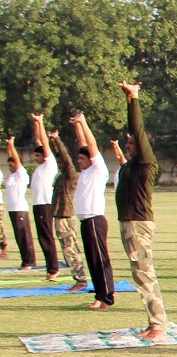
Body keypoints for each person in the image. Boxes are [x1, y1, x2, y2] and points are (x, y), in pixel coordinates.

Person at [114, 82, 168, 342]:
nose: (128, 144)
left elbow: (138, 129)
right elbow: (132, 132)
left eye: (132, 142)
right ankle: (152, 321)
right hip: (129, 224)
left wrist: (133, 99)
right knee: (139, 275)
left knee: (145, 274)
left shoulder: (147, 163)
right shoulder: (131, 166)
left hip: (138, 224)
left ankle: (159, 324)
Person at [70, 112, 114, 309]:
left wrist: (84, 121)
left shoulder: (98, 169)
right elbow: (83, 143)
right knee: (92, 260)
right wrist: (76, 126)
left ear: (91, 159)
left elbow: (91, 145)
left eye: (82, 158)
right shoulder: (86, 172)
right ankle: (99, 295)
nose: (79, 160)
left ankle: (107, 297)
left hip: (95, 219)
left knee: (100, 259)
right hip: (85, 221)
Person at [43, 119, 88, 291]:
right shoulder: (62, 176)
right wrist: (52, 142)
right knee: (67, 249)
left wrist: (57, 139)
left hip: (66, 215)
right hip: (60, 216)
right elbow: (60, 158)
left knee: (71, 249)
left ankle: (80, 280)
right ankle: (78, 278)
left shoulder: (71, 175)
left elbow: (66, 159)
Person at [26, 120, 59, 279]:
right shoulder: (40, 167)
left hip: (45, 204)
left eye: (38, 155)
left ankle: (53, 269)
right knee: (41, 237)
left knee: (46, 236)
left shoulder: (49, 164)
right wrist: (36, 124)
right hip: (37, 204)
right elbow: (38, 141)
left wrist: (40, 122)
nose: (36, 158)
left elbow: (44, 143)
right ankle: (49, 267)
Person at [3, 137, 35, 270]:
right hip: (12, 210)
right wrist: (8, 146)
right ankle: (25, 261)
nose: (10, 167)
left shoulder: (22, 174)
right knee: (18, 236)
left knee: (24, 236)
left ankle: (29, 262)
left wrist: (12, 145)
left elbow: (15, 159)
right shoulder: (12, 176)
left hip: (19, 209)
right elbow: (11, 157)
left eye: (12, 165)